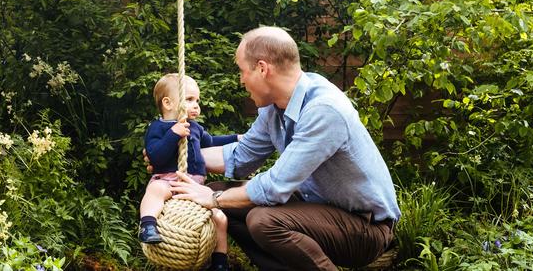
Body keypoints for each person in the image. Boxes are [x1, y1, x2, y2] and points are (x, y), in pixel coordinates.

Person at [168, 26, 402, 271]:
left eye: (242, 70)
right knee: (217, 195)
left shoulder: (324, 110)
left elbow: (274, 187)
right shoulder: (274, 108)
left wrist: (215, 200)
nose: (241, 79)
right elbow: (240, 157)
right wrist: (172, 157)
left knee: (262, 220)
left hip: (364, 228)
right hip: (317, 209)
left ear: (262, 68)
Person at [139, 73, 238, 271]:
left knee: (220, 218)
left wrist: (237, 137)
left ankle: (220, 262)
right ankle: (148, 225)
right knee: (156, 190)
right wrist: (173, 134)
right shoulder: (157, 128)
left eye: (197, 100)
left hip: (194, 187)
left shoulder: (195, 128)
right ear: (168, 103)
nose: (196, 105)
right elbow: (155, 156)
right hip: (169, 181)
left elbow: (212, 142)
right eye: (189, 99)